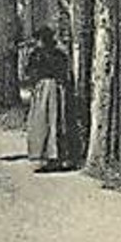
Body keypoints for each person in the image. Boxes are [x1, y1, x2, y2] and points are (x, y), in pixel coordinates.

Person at [24, 26, 72, 172]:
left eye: (38, 39)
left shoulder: (38, 54)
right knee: (52, 122)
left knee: (45, 122)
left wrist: (34, 84)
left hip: (46, 88)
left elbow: (29, 71)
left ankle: (48, 157)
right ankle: (53, 157)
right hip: (55, 88)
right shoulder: (58, 54)